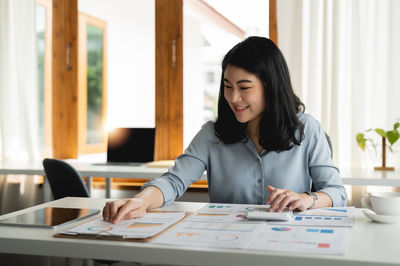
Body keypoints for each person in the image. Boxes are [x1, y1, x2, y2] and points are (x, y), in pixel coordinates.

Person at [103, 36, 347, 224]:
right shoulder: (212, 134)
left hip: (286, 245)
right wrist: (139, 201)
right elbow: (174, 180)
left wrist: (308, 199)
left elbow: (336, 192)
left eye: (244, 87)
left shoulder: (307, 129)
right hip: (226, 244)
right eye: (227, 87)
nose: (233, 98)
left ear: (270, 87)